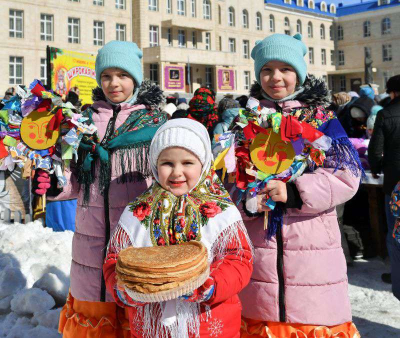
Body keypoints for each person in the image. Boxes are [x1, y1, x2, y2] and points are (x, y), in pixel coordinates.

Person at [235, 34, 362, 337]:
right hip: (258, 253)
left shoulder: (321, 121)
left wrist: (294, 192)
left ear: (299, 74)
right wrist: (246, 199)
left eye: (285, 69)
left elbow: (346, 176)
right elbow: (228, 181)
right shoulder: (245, 124)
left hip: (312, 252)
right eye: (266, 69)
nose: (275, 77)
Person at [55, 40, 167, 337]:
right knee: (95, 317)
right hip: (90, 243)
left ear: (135, 79)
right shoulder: (82, 123)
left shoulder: (156, 124)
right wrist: (54, 180)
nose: (114, 83)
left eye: (122, 75)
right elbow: (72, 183)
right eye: (106, 76)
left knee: (136, 317)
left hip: (136, 239)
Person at [103, 118, 253, 337]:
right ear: (155, 165)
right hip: (152, 325)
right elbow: (115, 259)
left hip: (207, 322)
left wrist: (212, 285)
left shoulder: (221, 210)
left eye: (187, 163)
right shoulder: (137, 212)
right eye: (167, 164)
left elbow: (239, 258)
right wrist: (124, 288)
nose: (176, 172)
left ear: (203, 164)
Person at [368, 74, 400, 294]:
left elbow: (375, 149)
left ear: (392, 92)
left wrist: (377, 168)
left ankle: (397, 278)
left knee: (396, 233)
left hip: (395, 183)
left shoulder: (386, 114)